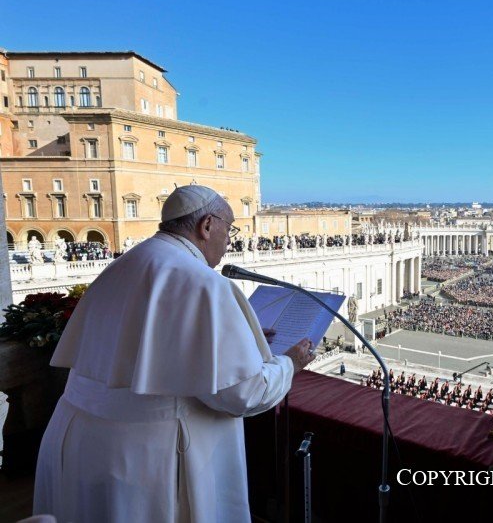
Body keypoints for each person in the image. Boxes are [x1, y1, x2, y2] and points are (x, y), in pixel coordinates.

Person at [33, 185, 314, 522]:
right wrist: (290, 364)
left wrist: (236, 336)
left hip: (79, 440)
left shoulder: (124, 265)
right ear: (207, 225)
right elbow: (242, 393)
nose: (230, 240)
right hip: (146, 457)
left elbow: (162, 339)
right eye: (229, 228)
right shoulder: (203, 283)